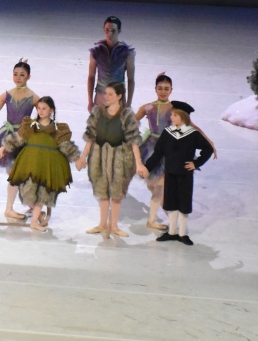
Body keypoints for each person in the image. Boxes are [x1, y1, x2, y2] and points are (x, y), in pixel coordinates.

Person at [136, 73, 217, 230]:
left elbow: (191, 125)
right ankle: (168, 215)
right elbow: (131, 122)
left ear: (171, 90)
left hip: (170, 148)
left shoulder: (175, 109)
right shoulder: (148, 107)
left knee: (161, 186)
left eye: (166, 89)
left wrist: (208, 141)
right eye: (160, 88)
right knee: (154, 186)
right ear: (155, 89)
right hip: (151, 149)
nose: (163, 91)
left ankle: (154, 219)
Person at [0, 97, 80, 231]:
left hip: (47, 164)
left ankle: (34, 221)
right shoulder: (30, 125)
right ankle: (38, 215)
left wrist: (77, 159)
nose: (40, 111)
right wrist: (2, 148)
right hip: (31, 162)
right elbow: (17, 138)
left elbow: (65, 145)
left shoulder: (58, 129)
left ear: (51, 110)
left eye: (44, 108)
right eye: (39, 108)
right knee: (28, 190)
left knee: (43, 192)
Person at [75, 81, 148, 237]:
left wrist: (139, 164)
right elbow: (90, 136)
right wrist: (83, 157)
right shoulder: (97, 112)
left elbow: (133, 140)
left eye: (110, 94)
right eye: (105, 94)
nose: (106, 97)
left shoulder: (126, 115)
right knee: (102, 191)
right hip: (99, 157)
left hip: (119, 159)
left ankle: (114, 226)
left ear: (119, 96)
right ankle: (102, 224)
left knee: (116, 193)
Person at [143, 101, 214, 245]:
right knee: (171, 202)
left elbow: (208, 149)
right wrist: (147, 168)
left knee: (183, 203)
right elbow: (158, 153)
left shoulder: (192, 134)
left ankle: (182, 233)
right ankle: (172, 232)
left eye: (175, 115)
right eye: (171, 115)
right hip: (170, 174)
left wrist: (196, 163)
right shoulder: (168, 133)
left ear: (183, 116)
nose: (171, 118)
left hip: (184, 175)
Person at [0, 60, 39, 220]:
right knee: (14, 174)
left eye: (22, 75)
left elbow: (43, 115)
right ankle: (15, 207)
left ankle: (24, 204)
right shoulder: (6, 95)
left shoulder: (34, 97)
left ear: (28, 76)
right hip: (6, 136)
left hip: (22, 138)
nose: (18, 77)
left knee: (17, 174)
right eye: (15, 74)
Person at [87, 16, 135, 111]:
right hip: (101, 96)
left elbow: (130, 79)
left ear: (119, 31)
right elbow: (91, 77)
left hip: (118, 97)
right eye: (107, 30)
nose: (109, 34)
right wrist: (90, 101)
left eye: (113, 31)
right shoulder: (96, 51)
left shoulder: (127, 53)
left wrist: (128, 103)